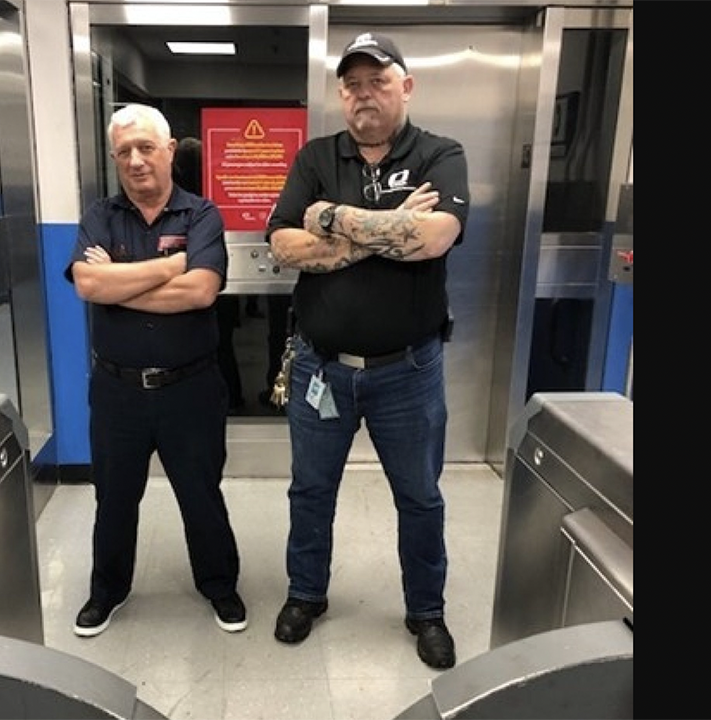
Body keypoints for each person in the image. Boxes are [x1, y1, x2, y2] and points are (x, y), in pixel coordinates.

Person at [263, 32, 469, 670]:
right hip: (322, 367)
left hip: (407, 372)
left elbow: (434, 237)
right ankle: (306, 594)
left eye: (378, 80)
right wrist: (383, 229)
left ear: (405, 86)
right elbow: (283, 246)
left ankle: (426, 610)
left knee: (420, 496)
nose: (363, 94)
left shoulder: (441, 153)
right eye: (351, 83)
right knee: (310, 490)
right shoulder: (315, 157)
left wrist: (331, 217)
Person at [64, 104, 247, 637]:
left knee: (201, 494)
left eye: (146, 148)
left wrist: (120, 282)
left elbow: (201, 291)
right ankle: (108, 591)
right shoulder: (100, 215)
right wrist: (170, 266)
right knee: (114, 497)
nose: (136, 161)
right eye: (124, 152)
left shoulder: (202, 215)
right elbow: (88, 286)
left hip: (190, 388)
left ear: (170, 150)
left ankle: (219, 585)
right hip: (117, 390)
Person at [173, 135, 248, 413]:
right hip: (219, 275)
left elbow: (200, 290)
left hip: (208, 278)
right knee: (224, 342)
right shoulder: (211, 191)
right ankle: (233, 398)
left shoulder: (197, 208)